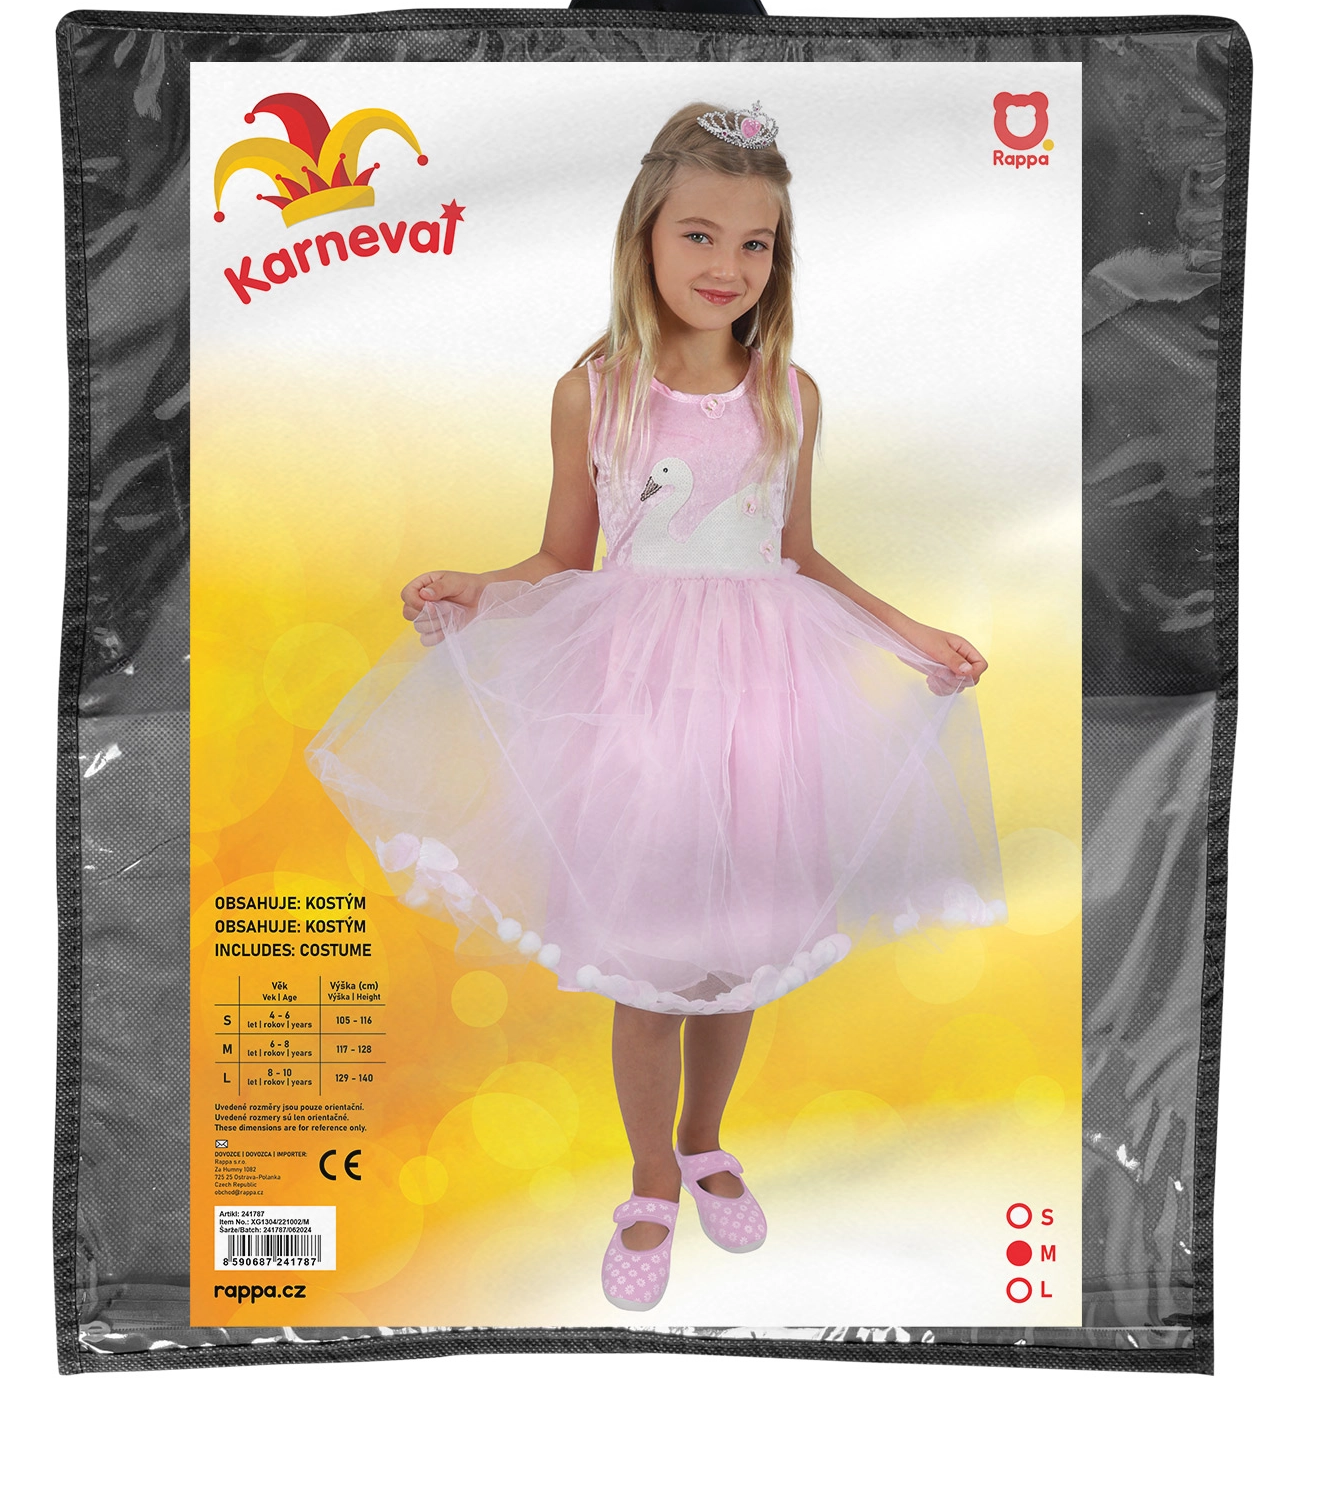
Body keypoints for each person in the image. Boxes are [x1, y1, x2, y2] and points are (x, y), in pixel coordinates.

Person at [306, 100, 1004, 1313]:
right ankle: (646, 1179)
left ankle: (704, 1140)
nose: (727, 266)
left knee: (740, 948)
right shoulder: (597, 391)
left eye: (755, 244)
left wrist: (908, 636)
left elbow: (798, 554)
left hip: (768, 705)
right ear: (644, 237)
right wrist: (480, 587)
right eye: (699, 235)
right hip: (636, 707)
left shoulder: (789, 393)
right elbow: (563, 556)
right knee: (649, 963)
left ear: (779, 257)